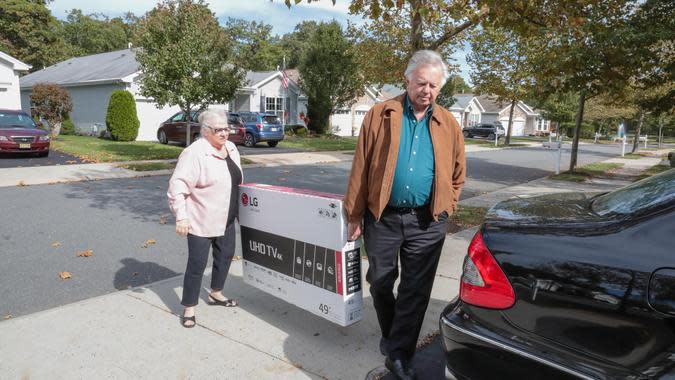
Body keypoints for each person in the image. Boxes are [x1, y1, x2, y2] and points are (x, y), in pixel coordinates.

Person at [344, 50, 466, 380]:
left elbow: (458, 174)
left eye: (434, 86)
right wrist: (353, 215)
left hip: (427, 222)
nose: (426, 90)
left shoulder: (449, 125)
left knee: (416, 290)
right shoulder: (380, 114)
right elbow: (361, 166)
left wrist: (447, 206)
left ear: (440, 88)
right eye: (421, 82)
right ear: (407, 79)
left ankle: (399, 354)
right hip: (382, 217)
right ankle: (395, 334)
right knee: (380, 283)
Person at [167, 110, 243, 328]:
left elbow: (235, 180)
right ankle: (189, 308)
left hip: (226, 217)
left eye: (226, 128)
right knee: (197, 265)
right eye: (219, 130)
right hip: (201, 219)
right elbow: (177, 187)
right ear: (206, 131)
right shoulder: (195, 153)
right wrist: (181, 217)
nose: (225, 133)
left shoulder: (231, 148)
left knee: (225, 257)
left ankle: (215, 293)